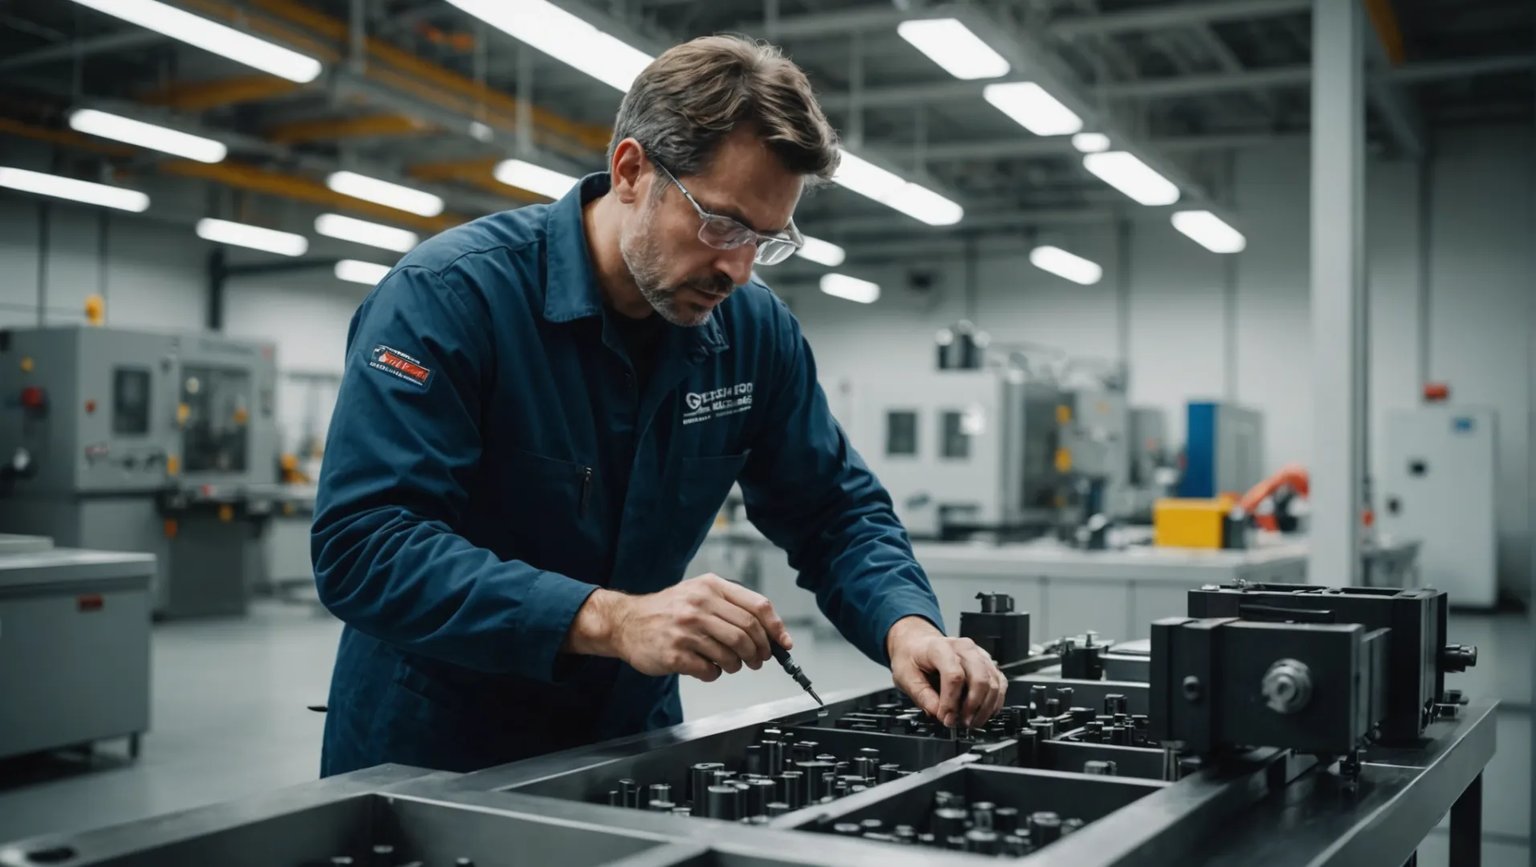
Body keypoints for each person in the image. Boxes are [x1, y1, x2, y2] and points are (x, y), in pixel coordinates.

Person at [312, 35, 1006, 776]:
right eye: (723, 225)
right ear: (632, 171)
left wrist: (906, 626)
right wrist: (614, 618)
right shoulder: (450, 299)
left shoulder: (753, 333)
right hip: (437, 749)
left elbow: (833, 511)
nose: (738, 270)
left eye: (765, 242)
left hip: (628, 743)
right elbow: (367, 545)